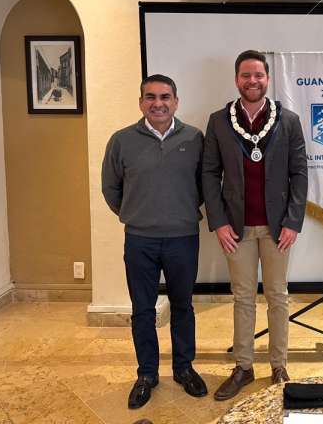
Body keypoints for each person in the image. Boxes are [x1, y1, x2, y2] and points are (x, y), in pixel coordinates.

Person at [202, 49, 308, 401]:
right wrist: (218, 223)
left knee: (278, 296)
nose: (252, 81)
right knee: (243, 297)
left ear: (267, 78)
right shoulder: (219, 121)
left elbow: (299, 173)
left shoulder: (288, 120)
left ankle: (279, 365)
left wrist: (293, 221)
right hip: (237, 228)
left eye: (258, 75)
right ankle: (244, 367)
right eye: (246, 75)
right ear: (237, 80)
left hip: (278, 228)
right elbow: (209, 173)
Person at [101, 74, 207, 409]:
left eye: (165, 97)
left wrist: (181, 211)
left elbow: (204, 185)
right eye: (150, 97)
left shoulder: (195, 138)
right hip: (140, 240)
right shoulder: (121, 140)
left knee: (183, 306)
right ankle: (146, 374)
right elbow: (111, 188)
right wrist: (136, 213)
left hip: (183, 238)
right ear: (141, 102)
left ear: (176, 102)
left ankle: (184, 368)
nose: (157, 103)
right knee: (143, 310)